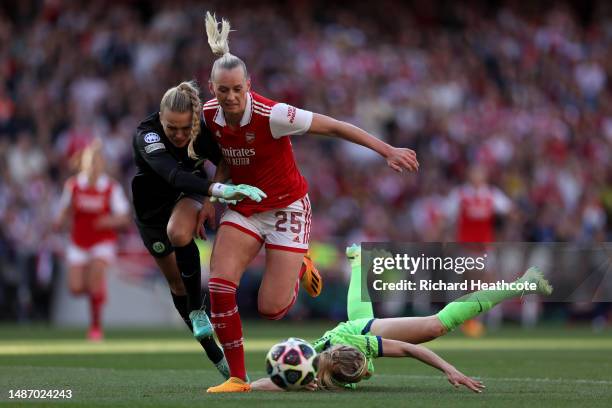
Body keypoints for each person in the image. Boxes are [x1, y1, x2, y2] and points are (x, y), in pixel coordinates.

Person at [200, 13, 420, 393]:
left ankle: (301, 261)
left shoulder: (274, 114)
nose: (231, 97)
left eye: (238, 89)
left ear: (249, 85)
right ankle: (237, 378)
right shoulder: (209, 114)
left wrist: (386, 150)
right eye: (223, 90)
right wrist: (211, 193)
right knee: (219, 286)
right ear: (212, 88)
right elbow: (224, 155)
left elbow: (334, 126)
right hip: (245, 207)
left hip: (287, 208)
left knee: (271, 309)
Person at [251, 244, 553, 391]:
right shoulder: (311, 367)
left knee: (436, 325)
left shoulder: (360, 345)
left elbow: (412, 348)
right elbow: (276, 380)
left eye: (364, 368)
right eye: (363, 372)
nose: (368, 372)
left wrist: (450, 370)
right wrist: (247, 387)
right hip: (347, 336)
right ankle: (358, 262)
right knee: (357, 316)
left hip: (356, 333)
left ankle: (522, 283)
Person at [132, 80, 266, 378]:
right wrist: (218, 189)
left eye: (185, 128)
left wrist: (208, 199)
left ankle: (196, 311)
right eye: (172, 129)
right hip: (151, 213)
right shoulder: (147, 135)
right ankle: (213, 353)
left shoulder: (202, 130)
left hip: (188, 196)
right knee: (176, 285)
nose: (180, 135)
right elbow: (172, 174)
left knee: (179, 233)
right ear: (161, 118)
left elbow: (226, 161)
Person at [55, 139, 131, 341]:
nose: (94, 167)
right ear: (83, 164)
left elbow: (124, 217)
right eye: (90, 163)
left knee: (96, 273)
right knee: (76, 288)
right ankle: (97, 293)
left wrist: (108, 220)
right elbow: (63, 211)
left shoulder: (110, 187)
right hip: (79, 241)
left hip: (102, 241)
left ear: (103, 164)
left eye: (97, 162)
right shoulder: (73, 185)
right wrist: (59, 221)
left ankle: (96, 327)